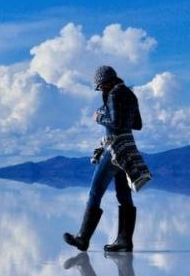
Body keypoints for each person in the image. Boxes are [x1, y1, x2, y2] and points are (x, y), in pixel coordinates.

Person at [63, 65, 150, 252]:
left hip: (114, 149)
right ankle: (125, 241)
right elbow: (138, 124)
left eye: (100, 87)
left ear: (107, 82)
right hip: (127, 149)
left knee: (95, 191)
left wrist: (99, 116)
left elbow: (116, 122)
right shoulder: (130, 95)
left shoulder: (113, 95)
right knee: (124, 196)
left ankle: (83, 239)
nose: (101, 90)